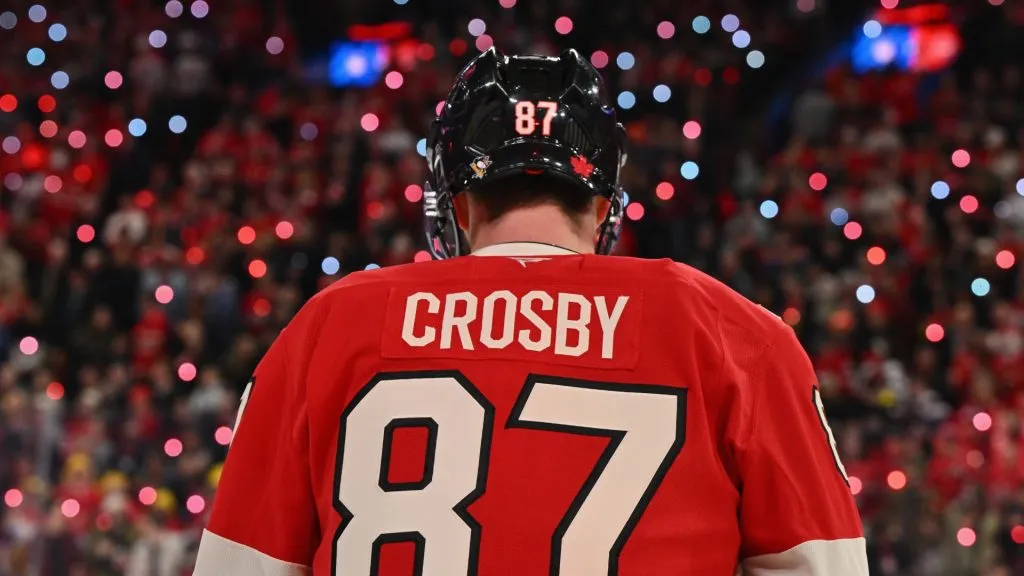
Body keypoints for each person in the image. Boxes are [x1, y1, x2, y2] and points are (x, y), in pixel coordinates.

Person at [193, 48, 868, 576]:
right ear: (602, 204)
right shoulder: (735, 334)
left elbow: (240, 564)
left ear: (458, 204)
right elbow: (824, 564)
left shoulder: (328, 327)